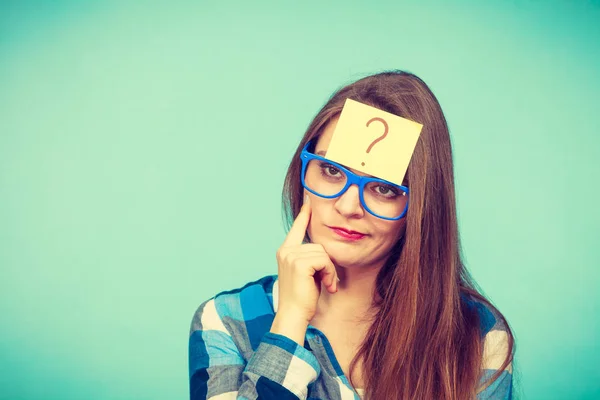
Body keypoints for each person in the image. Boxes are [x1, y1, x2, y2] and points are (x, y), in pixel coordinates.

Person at [188, 70, 516, 399]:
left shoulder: (479, 336)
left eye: (384, 188)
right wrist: (289, 324)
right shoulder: (227, 321)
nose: (348, 206)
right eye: (331, 171)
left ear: (420, 208)